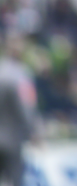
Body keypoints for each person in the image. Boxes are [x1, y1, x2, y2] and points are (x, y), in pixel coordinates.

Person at [0, 40, 36, 186]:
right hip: (12, 139)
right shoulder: (21, 75)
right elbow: (26, 107)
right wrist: (33, 131)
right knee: (16, 180)